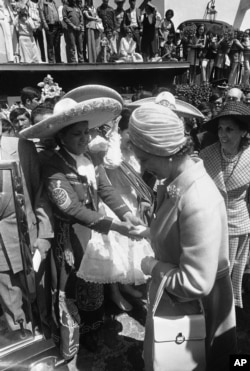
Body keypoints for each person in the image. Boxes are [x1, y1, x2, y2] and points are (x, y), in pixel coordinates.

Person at [19, 85, 144, 359]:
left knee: (96, 285)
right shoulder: (52, 164)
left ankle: (95, 326)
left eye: (86, 132)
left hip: (94, 231)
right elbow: (71, 207)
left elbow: (106, 190)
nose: (85, 138)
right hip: (70, 238)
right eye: (77, 134)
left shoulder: (89, 158)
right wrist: (113, 226)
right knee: (74, 289)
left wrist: (126, 214)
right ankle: (77, 337)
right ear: (61, 136)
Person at [128, 102, 237, 371]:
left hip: (196, 309)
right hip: (178, 304)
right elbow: (179, 235)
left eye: (144, 160)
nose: (142, 168)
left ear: (164, 151)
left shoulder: (197, 198)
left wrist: (151, 266)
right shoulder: (175, 182)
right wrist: (145, 231)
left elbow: (195, 283)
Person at [0, 116, 54, 336]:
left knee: (41, 299)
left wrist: (44, 233)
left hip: (28, 239)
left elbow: (39, 192)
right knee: (12, 305)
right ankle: (25, 341)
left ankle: (50, 339)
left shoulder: (22, 147)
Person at [200, 101, 250, 312]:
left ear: (243, 131)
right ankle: (211, 309)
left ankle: (228, 311)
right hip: (210, 223)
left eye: (229, 129)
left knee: (233, 270)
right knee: (213, 271)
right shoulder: (206, 154)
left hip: (238, 223)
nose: (223, 134)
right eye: (220, 129)